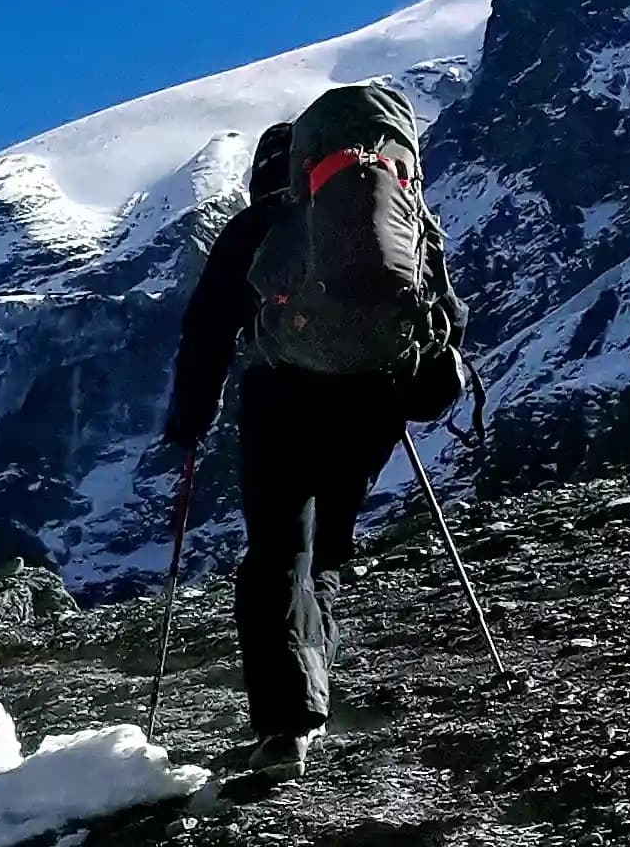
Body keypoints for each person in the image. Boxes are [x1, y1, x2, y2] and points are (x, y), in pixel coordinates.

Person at [165, 96, 467, 781]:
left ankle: (286, 727)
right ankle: (312, 700)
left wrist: (190, 420)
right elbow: (449, 315)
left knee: (277, 552)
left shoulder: (259, 225)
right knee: (324, 553)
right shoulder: (406, 219)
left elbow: (208, 329)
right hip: (376, 401)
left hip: (285, 398)